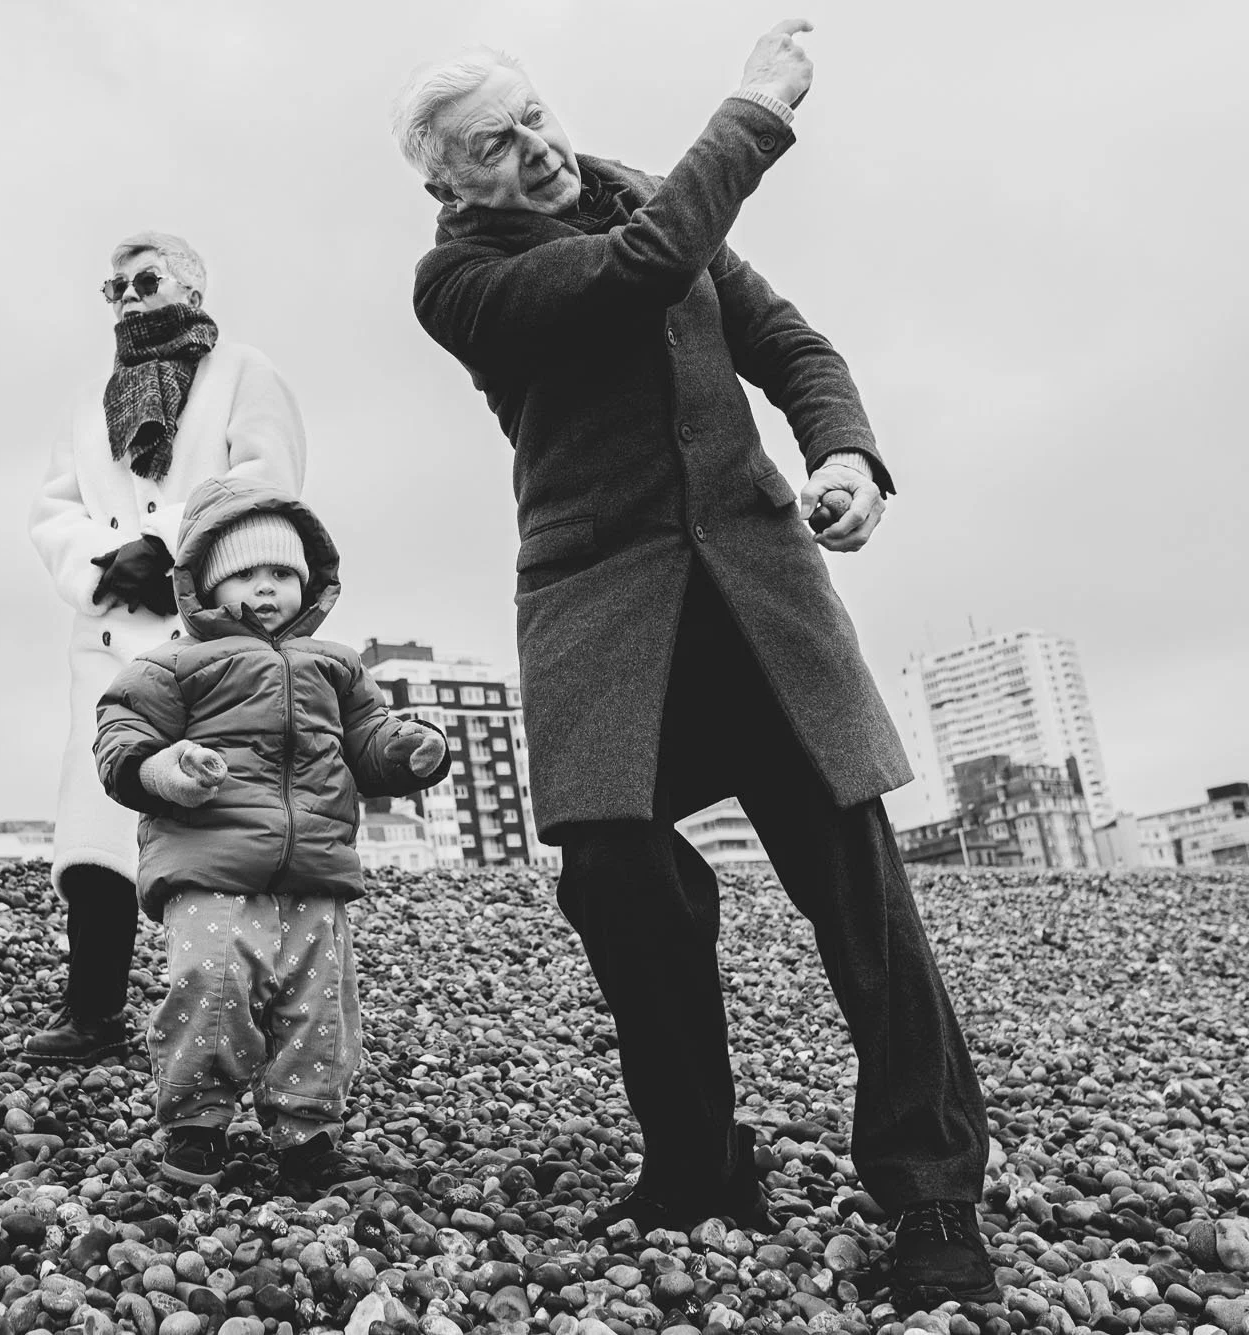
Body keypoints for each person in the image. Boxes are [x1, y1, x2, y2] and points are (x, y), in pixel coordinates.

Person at [393, 21, 997, 1308]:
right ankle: (696, 1161)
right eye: (496, 145)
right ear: (449, 185)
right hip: (603, 605)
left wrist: (843, 457)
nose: (538, 146)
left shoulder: (649, 197)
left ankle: (931, 1187)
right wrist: (752, 113)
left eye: (537, 113)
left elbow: (793, 348)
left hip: (761, 596)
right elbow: (639, 271)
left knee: (860, 897)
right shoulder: (457, 285)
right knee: (618, 880)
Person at [94, 478, 451, 1194]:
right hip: (210, 864)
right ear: (203, 585)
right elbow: (122, 734)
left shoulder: (336, 665)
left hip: (313, 869)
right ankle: (196, 1122)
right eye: (246, 574)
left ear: (310, 582)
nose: (267, 588)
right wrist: (166, 767)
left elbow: (367, 739)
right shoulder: (173, 664)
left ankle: (306, 1131)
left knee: (320, 1001)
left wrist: (409, 749)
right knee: (211, 983)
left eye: (283, 573)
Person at [26, 232, 307, 1065]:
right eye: (110, 287)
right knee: (98, 821)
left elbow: (268, 480)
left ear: (189, 286)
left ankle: (255, 1015)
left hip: (212, 630)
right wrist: (104, 564)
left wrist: (172, 545)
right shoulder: (89, 400)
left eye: (143, 280)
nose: (125, 297)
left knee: (226, 827)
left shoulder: (244, 373)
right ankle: (95, 1008)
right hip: (111, 632)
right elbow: (54, 509)